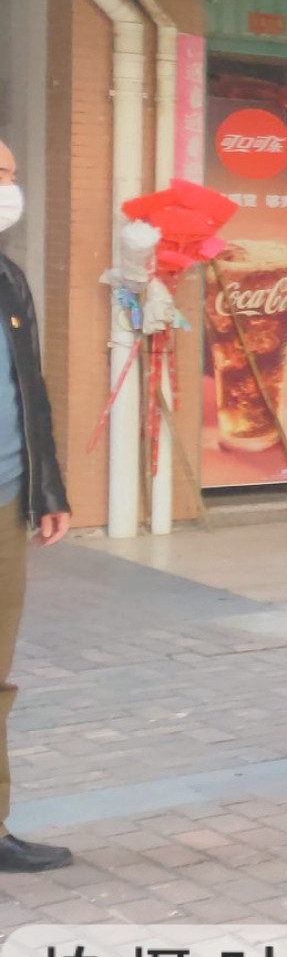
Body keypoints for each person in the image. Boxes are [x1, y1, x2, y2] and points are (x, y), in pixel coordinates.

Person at [0, 138, 72, 872]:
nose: (10, 189)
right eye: (0, 175)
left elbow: (31, 393)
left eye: (13, 175)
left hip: (6, 495)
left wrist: (47, 490)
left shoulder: (9, 278)